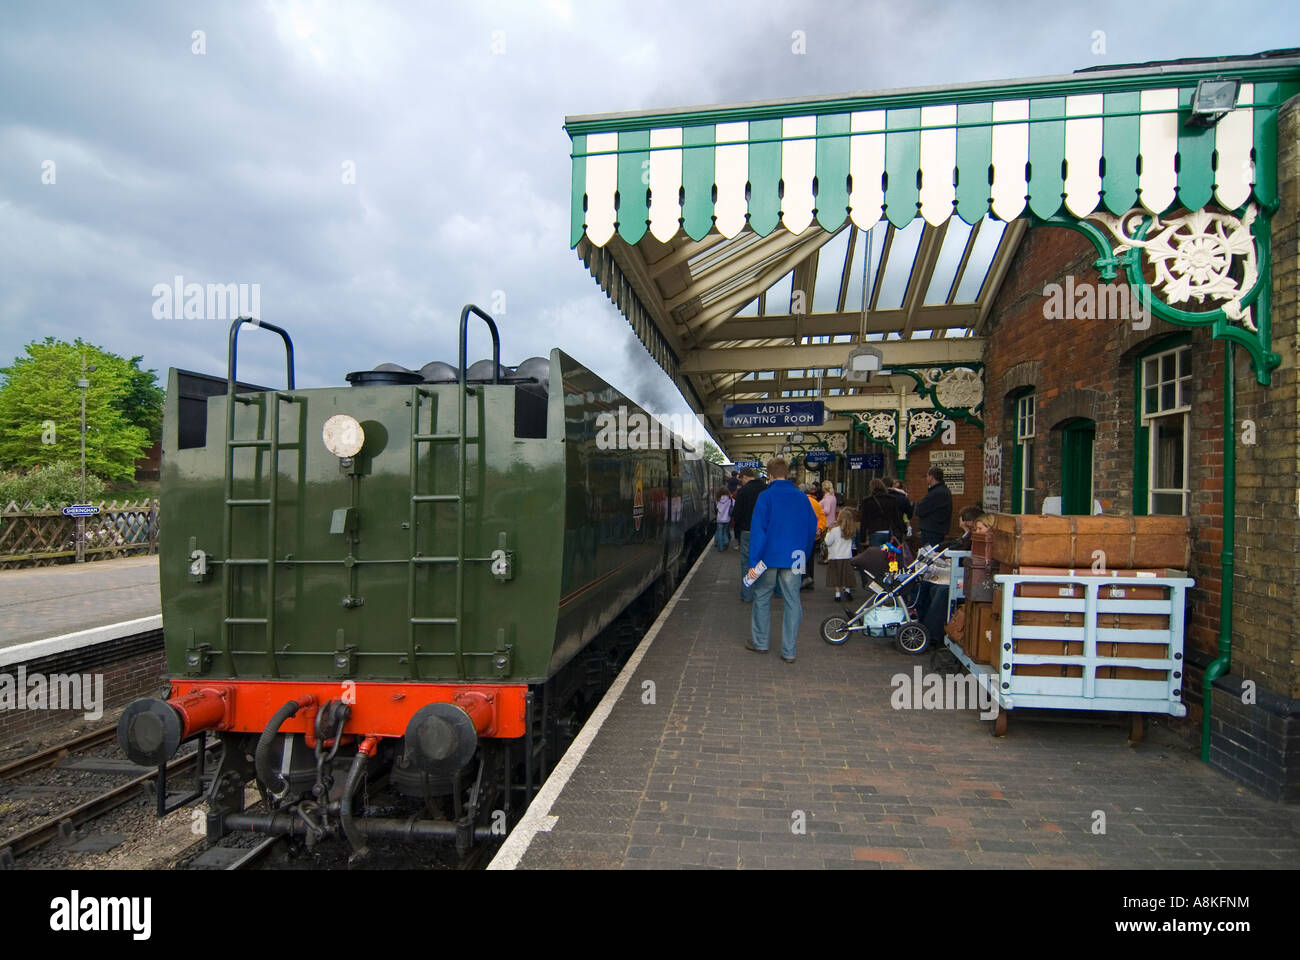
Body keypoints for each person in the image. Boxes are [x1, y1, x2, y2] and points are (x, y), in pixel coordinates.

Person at [746, 458, 819, 663]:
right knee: (792, 601)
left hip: (769, 557)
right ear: (787, 474)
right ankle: (789, 651)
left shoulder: (765, 497)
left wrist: (754, 563)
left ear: (769, 475)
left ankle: (760, 643)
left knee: (762, 596)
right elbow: (811, 527)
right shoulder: (802, 498)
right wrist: (804, 552)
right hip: (795, 556)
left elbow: (758, 532)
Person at [732, 468, 767, 602]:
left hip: (747, 531)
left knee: (747, 563)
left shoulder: (743, 491)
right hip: (764, 533)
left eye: (742, 478)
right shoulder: (766, 489)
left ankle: (747, 595)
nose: (741, 481)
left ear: (745, 477)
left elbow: (737, 513)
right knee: (763, 563)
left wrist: (738, 531)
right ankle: (762, 595)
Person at [858, 477, 907, 548]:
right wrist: (902, 531)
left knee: (876, 555)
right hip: (889, 531)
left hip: (875, 532)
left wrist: (862, 538)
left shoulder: (868, 501)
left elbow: (864, 521)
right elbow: (896, 517)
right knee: (888, 555)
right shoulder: (891, 499)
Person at [824, 507, 858, 603]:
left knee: (836, 576)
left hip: (835, 556)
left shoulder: (835, 530)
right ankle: (847, 591)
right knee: (846, 575)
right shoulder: (851, 530)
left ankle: (837, 594)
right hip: (847, 556)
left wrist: (828, 532)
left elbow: (828, 542)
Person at [913, 467, 953, 547]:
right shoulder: (943, 490)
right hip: (937, 528)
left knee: (930, 554)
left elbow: (920, 510)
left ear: (931, 477)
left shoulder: (936, 493)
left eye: (927, 476)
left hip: (932, 530)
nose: (926, 479)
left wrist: (917, 505)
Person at [804, 484, 827, 589]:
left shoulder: (800, 502)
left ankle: (803, 578)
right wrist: (820, 529)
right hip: (813, 534)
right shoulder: (816, 503)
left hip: (802, 534)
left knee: (801, 556)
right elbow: (822, 518)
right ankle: (810, 579)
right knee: (810, 558)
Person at [714, 486, 733, 552]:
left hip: (719, 519)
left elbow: (717, 508)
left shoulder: (718, 499)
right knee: (725, 532)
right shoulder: (730, 499)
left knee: (720, 533)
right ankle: (726, 541)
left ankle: (720, 548)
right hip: (727, 518)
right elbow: (734, 504)